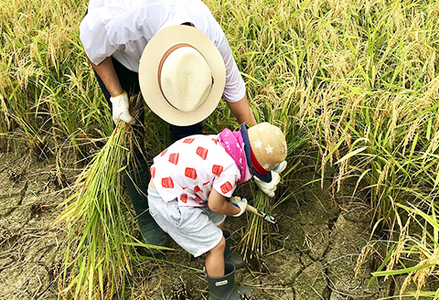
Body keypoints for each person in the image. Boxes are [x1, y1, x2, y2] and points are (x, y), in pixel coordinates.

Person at [79, 0, 283, 250]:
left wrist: (258, 151)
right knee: (131, 135)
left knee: (189, 136)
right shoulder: (119, 22)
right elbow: (92, 48)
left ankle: (187, 201)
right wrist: (117, 95)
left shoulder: (209, 40)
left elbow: (234, 90)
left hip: (178, 66)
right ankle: (148, 213)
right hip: (120, 59)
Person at [148, 122, 287, 299]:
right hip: (169, 202)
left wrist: (224, 201)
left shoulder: (223, 145)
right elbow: (215, 204)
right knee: (216, 244)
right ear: (252, 168)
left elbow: (211, 187)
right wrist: (235, 209)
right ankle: (221, 293)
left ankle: (223, 259)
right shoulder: (231, 170)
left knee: (218, 217)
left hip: (173, 185)